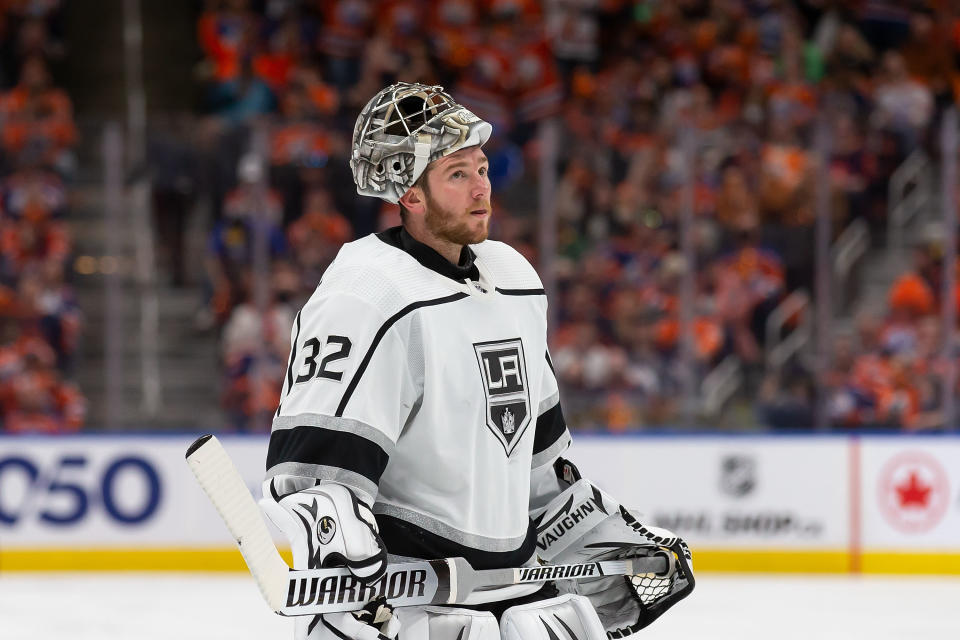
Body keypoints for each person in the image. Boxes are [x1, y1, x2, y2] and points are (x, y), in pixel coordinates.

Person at [259, 83, 694, 640]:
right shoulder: (366, 294)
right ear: (410, 193)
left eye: (482, 168)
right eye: (457, 174)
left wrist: (599, 535)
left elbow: (537, 464)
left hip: (518, 606)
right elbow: (313, 475)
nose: (481, 188)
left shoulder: (513, 280)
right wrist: (337, 541)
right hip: (414, 616)